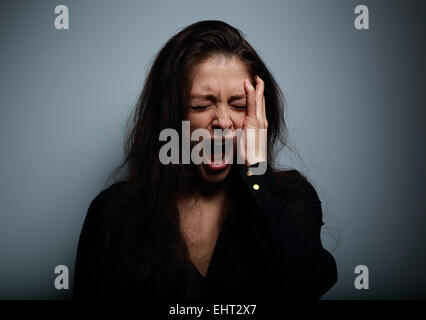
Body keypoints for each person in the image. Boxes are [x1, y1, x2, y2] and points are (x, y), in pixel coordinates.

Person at [73, 20, 337, 302]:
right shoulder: (112, 213)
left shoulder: (291, 199)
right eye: (201, 105)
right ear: (171, 116)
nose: (223, 122)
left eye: (238, 105)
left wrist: (258, 172)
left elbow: (307, 285)